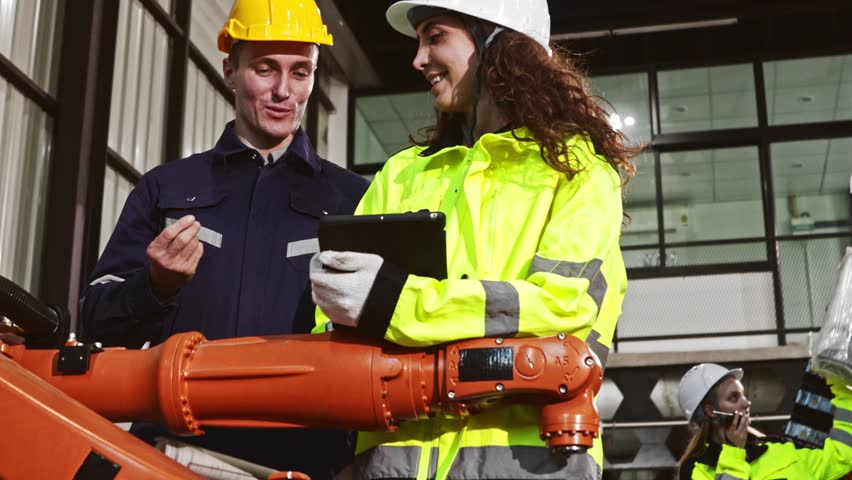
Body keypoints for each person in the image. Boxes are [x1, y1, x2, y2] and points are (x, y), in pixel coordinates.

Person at [308, 0, 638, 478]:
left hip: (530, 465)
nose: (417, 59)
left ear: (495, 40)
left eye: (434, 36)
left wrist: (396, 306)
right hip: (387, 466)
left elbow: (563, 309)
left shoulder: (576, 169)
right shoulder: (402, 173)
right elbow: (335, 315)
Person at [80, 0, 368, 477]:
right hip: (175, 451)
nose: (283, 91)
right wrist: (154, 286)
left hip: (305, 460)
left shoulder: (354, 199)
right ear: (230, 71)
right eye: (265, 69)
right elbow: (96, 321)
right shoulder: (166, 188)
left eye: (301, 72)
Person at [676, 363, 852, 479]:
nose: (746, 403)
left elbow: (841, 457)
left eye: (744, 395)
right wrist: (733, 452)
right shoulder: (697, 470)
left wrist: (841, 387)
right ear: (710, 411)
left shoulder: (780, 449)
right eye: (733, 397)